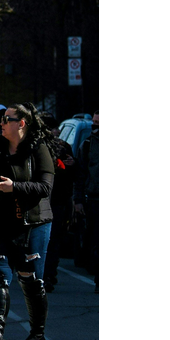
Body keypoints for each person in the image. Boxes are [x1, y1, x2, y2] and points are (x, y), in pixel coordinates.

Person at [0, 102, 54, 340]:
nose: (1, 122)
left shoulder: (38, 147)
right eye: (0, 117)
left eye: (6, 118)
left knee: (30, 279)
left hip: (31, 223)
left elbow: (45, 188)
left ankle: (37, 335)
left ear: (21, 123)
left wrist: (14, 187)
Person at [39, 112, 75, 293]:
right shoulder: (34, 147)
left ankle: (48, 274)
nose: (56, 132)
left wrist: (71, 165)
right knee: (41, 239)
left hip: (57, 200)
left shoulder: (63, 147)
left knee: (52, 239)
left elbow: (73, 173)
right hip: (39, 198)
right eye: (52, 129)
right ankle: (41, 274)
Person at [73, 110, 98, 293]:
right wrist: (78, 199)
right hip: (94, 198)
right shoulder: (88, 144)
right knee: (96, 239)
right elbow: (80, 174)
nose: (96, 128)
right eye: (94, 124)